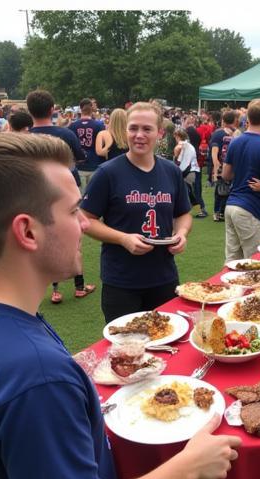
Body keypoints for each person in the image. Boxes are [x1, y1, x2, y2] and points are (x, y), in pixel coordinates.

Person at [0, 132, 241, 479]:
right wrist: (189, 467)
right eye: (71, 212)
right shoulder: (38, 375)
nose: (84, 225)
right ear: (27, 231)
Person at [81, 102, 192, 322]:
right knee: (126, 348)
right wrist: (123, 239)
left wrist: (182, 234)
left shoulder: (170, 171)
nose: (139, 135)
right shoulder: (108, 173)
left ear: (159, 133)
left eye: (147, 129)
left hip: (164, 276)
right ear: (125, 131)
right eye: (133, 128)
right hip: (122, 280)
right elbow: (86, 219)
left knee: (167, 342)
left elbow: (183, 213)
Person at [26, 89, 94, 304]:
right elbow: (81, 158)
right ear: (52, 109)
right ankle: (80, 287)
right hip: (66, 193)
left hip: (37, 194)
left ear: (30, 111)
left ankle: (55, 290)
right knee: (75, 239)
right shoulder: (65, 134)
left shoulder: (24, 138)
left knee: (48, 240)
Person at [222, 97, 260, 260]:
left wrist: (243, 171)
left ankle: (228, 286)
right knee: (252, 260)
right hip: (250, 208)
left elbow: (226, 175)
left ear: (247, 118)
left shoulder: (236, 142)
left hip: (232, 205)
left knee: (232, 259)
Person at [209, 108, 238, 222]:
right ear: (235, 120)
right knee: (223, 190)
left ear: (223, 120)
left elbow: (214, 153)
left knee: (223, 190)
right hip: (232, 166)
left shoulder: (219, 133)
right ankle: (219, 212)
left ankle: (220, 212)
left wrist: (216, 169)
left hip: (225, 165)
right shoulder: (238, 133)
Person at [173, 128, 208, 218]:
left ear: (177, 136)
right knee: (191, 192)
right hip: (192, 170)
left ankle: (200, 210)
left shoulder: (181, 145)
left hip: (187, 171)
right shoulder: (189, 145)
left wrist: (175, 156)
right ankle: (200, 210)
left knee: (189, 193)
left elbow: (178, 158)